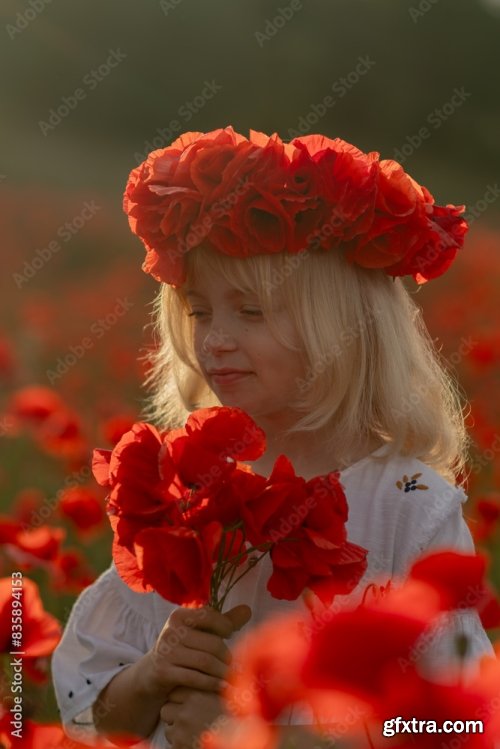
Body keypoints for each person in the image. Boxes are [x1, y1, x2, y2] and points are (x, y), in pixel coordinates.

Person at [51, 126, 495, 749]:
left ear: (345, 327)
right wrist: (152, 676)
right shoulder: (188, 488)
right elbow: (90, 707)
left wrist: (266, 735)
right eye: (200, 311)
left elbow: (456, 722)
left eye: (251, 311)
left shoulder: (406, 502)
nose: (216, 339)